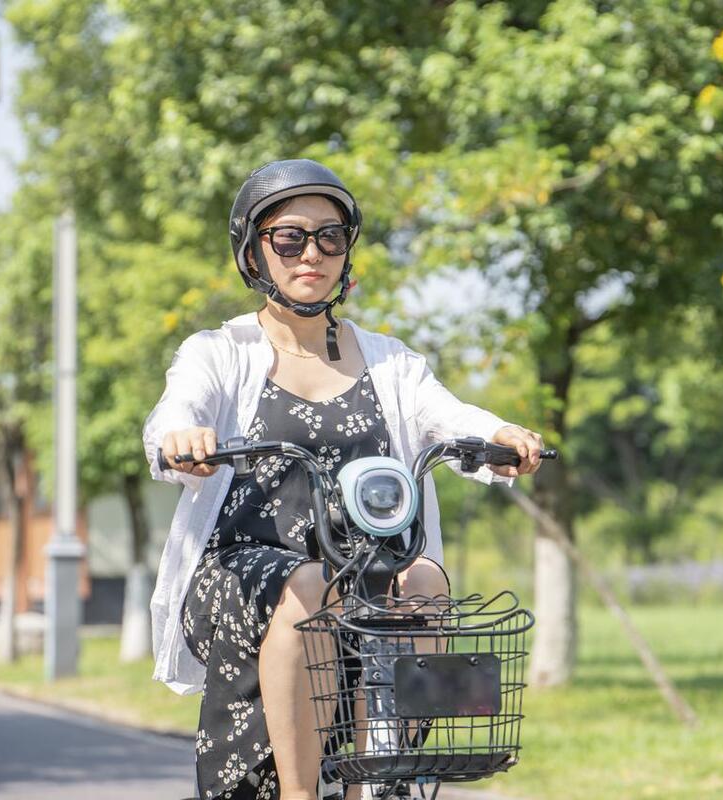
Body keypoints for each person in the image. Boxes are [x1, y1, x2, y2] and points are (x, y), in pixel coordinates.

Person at [143, 159, 544, 800]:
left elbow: (446, 415)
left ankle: (374, 782)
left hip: (366, 570)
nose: (313, 253)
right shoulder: (219, 352)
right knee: (307, 583)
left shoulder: (388, 359)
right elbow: (177, 410)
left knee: (424, 579)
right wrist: (181, 439)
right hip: (245, 573)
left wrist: (496, 435)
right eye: (290, 238)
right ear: (254, 251)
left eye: (330, 237)